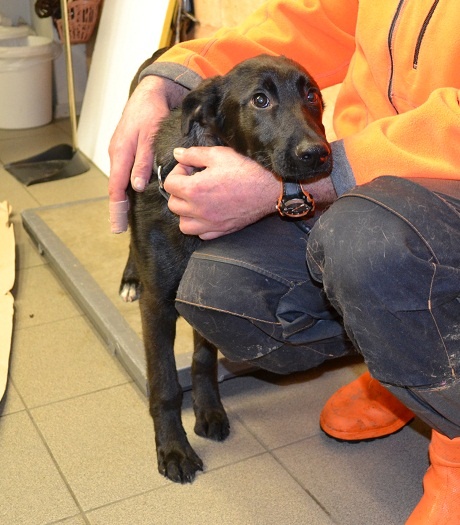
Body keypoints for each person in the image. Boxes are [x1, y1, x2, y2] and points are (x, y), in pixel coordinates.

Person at [108, 1, 460, 522]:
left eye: (308, 97)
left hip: (435, 182)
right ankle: (397, 375)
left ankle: (454, 454)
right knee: (213, 283)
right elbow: (303, 22)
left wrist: (321, 176)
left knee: (364, 243)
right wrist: (167, 77)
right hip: (368, 179)